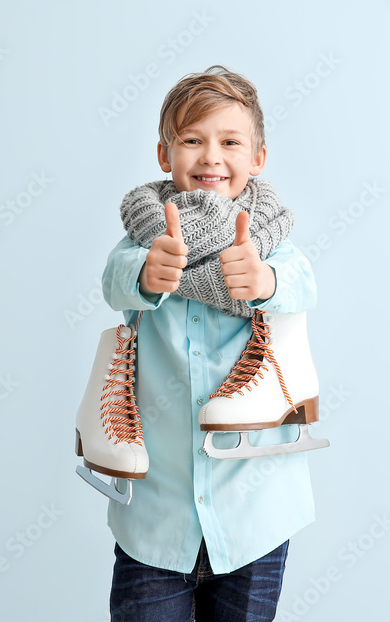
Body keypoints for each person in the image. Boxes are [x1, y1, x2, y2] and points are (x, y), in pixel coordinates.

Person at [101, 64, 318, 621]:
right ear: (164, 155)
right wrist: (150, 273)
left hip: (254, 513)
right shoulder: (146, 238)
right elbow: (115, 279)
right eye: (192, 140)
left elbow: (303, 286)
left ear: (257, 158)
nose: (211, 157)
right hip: (157, 518)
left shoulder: (268, 243)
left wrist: (264, 281)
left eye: (229, 142)